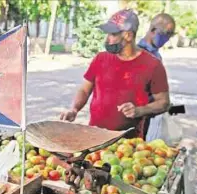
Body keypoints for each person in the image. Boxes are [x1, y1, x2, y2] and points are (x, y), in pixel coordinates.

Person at [59, 9, 170, 138]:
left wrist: (139, 110)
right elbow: (84, 90)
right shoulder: (100, 59)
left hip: (129, 143)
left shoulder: (153, 65)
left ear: (128, 35)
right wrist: (74, 109)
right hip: (95, 136)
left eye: (112, 34)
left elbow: (164, 102)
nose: (107, 39)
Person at [138, 13, 176, 139]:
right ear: (153, 30)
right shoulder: (136, 53)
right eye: (167, 33)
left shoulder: (157, 56)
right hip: (134, 115)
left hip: (148, 113)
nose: (168, 38)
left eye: (171, 35)